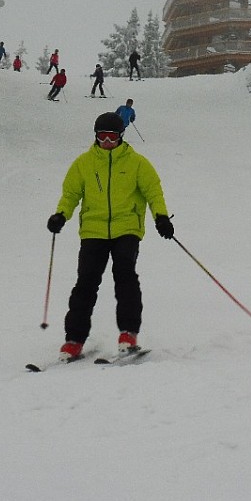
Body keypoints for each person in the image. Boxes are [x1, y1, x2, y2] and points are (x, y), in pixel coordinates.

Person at [46, 111, 174, 361]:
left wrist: (161, 217)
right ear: (95, 137)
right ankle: (74, 339)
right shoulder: (83, 163)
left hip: (127, 228)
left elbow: (153, 191)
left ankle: (128, 334)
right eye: (102, 137)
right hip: (93, 230)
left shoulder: (136, 163)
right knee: (86, 282)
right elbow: (70, 194)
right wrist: (61, 215)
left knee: (124, 275)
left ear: (121, 137)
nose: (107, 142)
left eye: (112, 137)